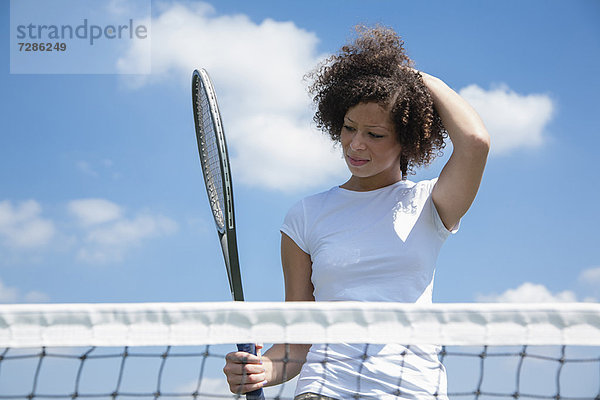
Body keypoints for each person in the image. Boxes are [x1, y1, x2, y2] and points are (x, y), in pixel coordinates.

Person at [223, 25, 490, 400]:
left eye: (375, 134)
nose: (356, 144)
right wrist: (261, 370)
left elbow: (475, 143)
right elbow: (298, 343)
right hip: (325, 387)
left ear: (407, 139)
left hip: (412, 388)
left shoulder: (430, 203)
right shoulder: (305, 215)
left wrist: (411, 79)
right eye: (349, 128)